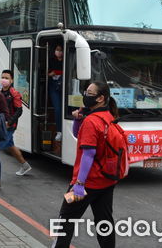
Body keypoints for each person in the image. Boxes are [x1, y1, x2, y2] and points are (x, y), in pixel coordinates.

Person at [51, 81, 119, 248]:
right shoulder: (108, 116)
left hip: (87, 182)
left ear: (100, 98)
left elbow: (89, 154)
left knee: (65, 221)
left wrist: (79, 184)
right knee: (104, 223)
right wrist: (78, 119)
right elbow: (78, 134)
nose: (85, 95)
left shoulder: (92, 121)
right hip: (106, 180)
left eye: (89, 93)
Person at [48, 44, 64, 141]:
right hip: (54, 86)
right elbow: (48, 73)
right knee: (57, 109)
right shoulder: (51, 60)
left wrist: (57, 72)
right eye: (57, 50)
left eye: (61, 50)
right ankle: (59, 131)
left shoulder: (68, 59)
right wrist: (54, 73)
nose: (59, 52)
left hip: (64, 86)